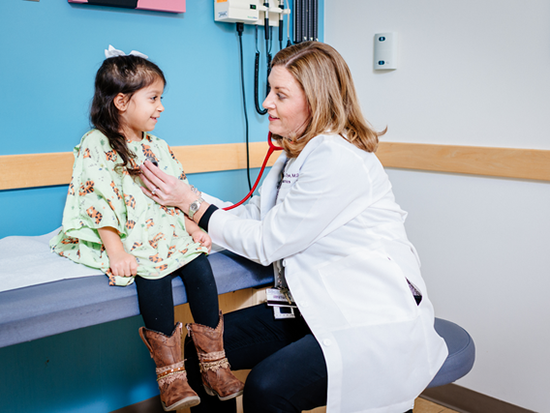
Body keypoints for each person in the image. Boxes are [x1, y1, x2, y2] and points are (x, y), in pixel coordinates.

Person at [139, 41, 449, 413]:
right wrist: (186, 196)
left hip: (366, 317)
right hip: (308, 306)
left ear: (315, 101)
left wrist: (191, 204)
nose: (267, 102)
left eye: (280, 94)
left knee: (268, 389)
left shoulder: (337, 159)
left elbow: (268, 242)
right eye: (269, 90)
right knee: (199, 352)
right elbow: (252, 216)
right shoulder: (292, 157)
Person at [49, 47, 244, 411]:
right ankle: (171, 377)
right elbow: (97, 201)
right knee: (151, 272)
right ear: (121, 101)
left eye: (161, 98)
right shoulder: (98, 144)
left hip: (166, 229)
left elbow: (176, 193)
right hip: (130, 235)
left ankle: (215, 366)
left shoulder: (158, 146)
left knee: (200, 269)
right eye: (153, 98)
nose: (161, 107)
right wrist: (116, 251)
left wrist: (192, 225)